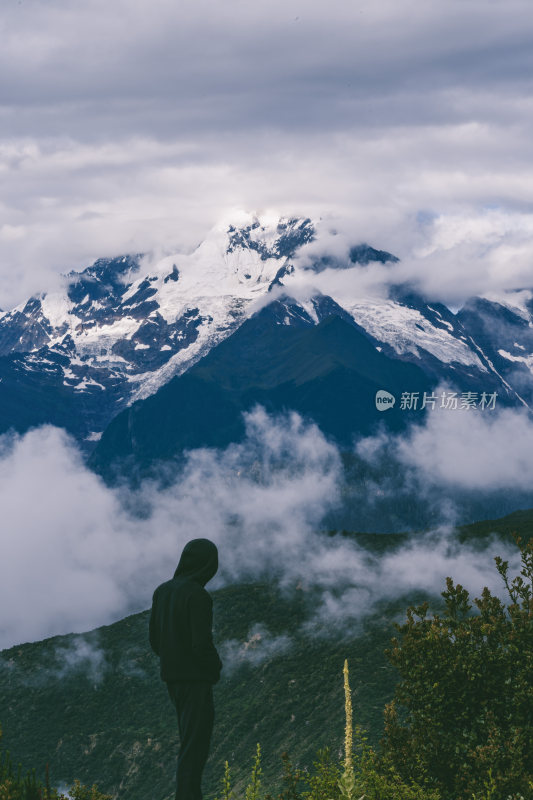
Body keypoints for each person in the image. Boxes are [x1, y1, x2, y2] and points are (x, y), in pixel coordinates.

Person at [149, 538, 223, 800]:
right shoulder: (198, 595)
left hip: (173, 680)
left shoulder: (162, 591)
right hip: (196, 681)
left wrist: (173, 658)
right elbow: (201, 644)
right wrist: (215, 668)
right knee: (195, 748)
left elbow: (155, 642)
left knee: (188, 743)